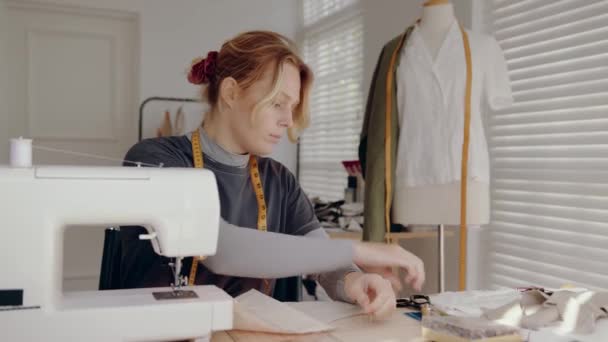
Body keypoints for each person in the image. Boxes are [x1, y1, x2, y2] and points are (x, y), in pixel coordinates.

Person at [119, 30, 425, 320]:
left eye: (291, 106)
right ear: (230, 92)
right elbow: (218, 247)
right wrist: (362, 249)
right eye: (277, 103)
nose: (288, 120)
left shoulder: (280, 180)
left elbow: (324, 261)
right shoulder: (154, 160)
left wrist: (354, 281)